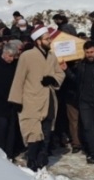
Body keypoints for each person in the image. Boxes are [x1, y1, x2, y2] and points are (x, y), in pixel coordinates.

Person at [8, 27, 66, 171]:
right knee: (33, 132)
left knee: (46, 132)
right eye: (47, 39)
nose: (49, 41)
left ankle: (42, 159)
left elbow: (60, 73)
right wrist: (16, 100)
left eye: (49, 38)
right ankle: (32, 161)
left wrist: (53, 79)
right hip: (31, 100)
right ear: (38, 41)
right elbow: (19, 78)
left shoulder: (52, 56)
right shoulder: (27, 56)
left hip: (49, 100)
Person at [61, 41, 94, 164]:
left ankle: (93, 147)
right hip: (85, 102)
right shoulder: (81, 64)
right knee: (87, 127)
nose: (89, 55)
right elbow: (76, 80)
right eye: (87, 52)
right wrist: (67, 70)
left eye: (91, 52)